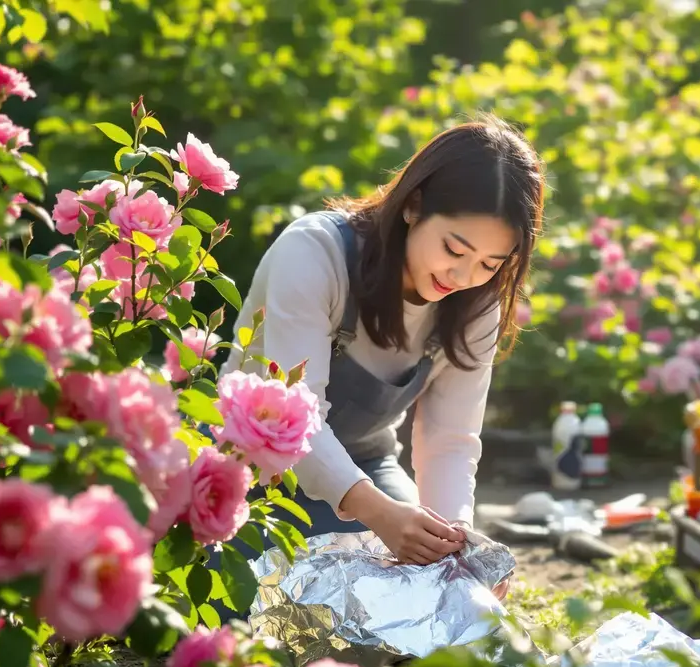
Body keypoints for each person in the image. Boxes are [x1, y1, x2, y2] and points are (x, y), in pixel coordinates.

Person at [209, 115, 545, 602]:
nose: (464, 276)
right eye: (454, 249)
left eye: (490, 264)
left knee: (441, 596)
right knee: (254, 605)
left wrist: (456, 541)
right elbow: (293, 422)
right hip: (247, 471)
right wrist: (380, 513)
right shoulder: (315, 254)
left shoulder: (477, 303)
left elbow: (449, 441)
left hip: (367, 466)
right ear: (414, 205)